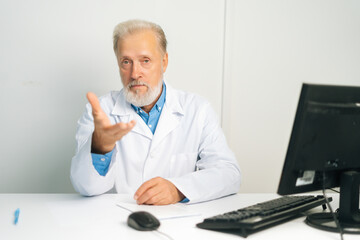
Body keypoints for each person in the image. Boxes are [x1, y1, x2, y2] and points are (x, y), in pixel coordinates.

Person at [70, 19, 241, 205]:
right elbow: (85, 187)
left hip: (178, 224)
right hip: (115, 222)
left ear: (164, 62)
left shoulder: (197, 109)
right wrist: (99, 147)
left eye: (145, 61)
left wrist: (177, 189)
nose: (135, 73)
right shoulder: (101, 111)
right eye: (126, 62)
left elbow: (229, 174)